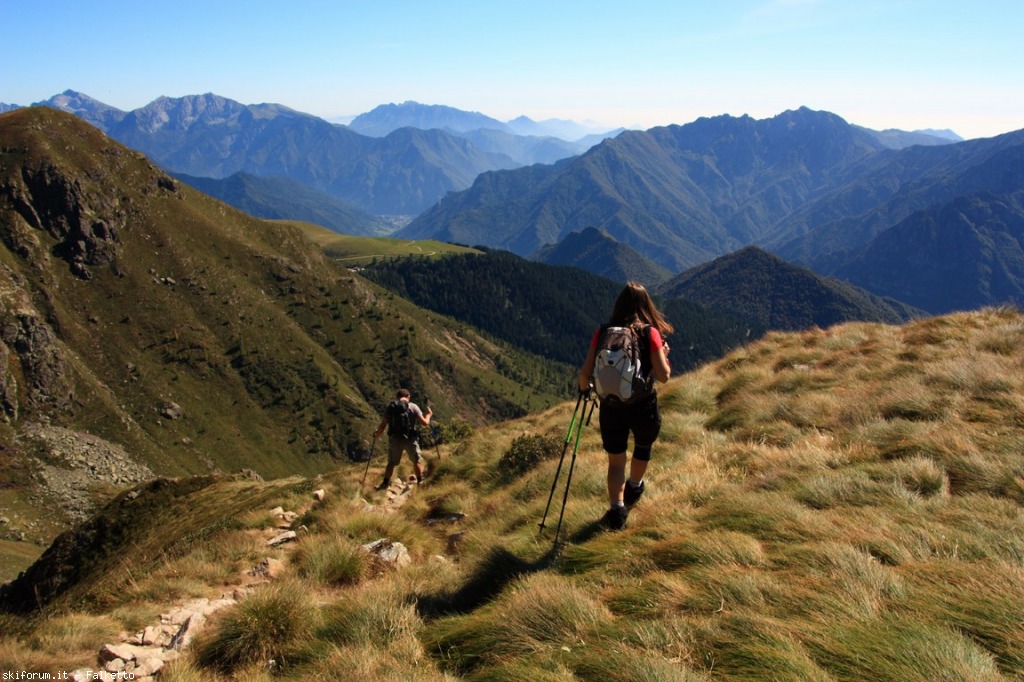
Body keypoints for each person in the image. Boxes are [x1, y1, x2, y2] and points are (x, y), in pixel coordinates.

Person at [578, 281, 672, 531]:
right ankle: (634, 486)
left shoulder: (604, 331)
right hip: (643, 404)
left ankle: (616, 509)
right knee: (643, 446)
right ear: (646, 306)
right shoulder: (648, 332)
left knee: (615, 461)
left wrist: (584, 389)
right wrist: (663, 353)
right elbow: (663, 376)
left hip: (611, 406)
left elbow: (585, 373)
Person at [373, 388, 433, 489]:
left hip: (395, 438)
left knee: (391, 463)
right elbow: (425, 423)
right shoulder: (413, 406)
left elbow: (383, 425)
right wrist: (429, 415)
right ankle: (420, 482)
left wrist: (377, 434)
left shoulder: (391, 407)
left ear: (398, 397)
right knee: (416, 460)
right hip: (410, 438)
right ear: (408, 396)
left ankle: (385, 483)